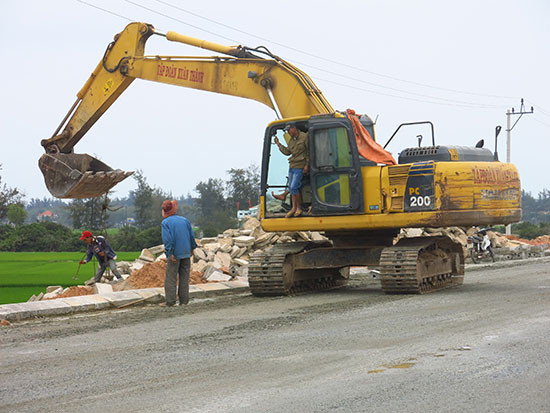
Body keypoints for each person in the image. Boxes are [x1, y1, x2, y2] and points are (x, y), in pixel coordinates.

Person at [161, 199, 197, 307]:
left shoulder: (165, 223)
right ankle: (184, 301)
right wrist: (192, 249)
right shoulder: (184, 220)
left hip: (175, 254)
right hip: (186, 252)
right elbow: (191, 236)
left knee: (171, 278)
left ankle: (170, 301)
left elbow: (168, 240)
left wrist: (170, 253)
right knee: (184, 278)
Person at [273, 122, 309, 217]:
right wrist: (278, 144)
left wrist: (307, 165)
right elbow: (288, 152)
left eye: (289, 130)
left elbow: (310, 152)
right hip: (292, 166)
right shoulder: (291, 140)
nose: (288, 132)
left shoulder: (305, 137)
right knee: (293, 188)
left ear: (294, 128)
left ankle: (298, 208)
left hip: (300, 165)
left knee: (293, 187)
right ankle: (293, 208)